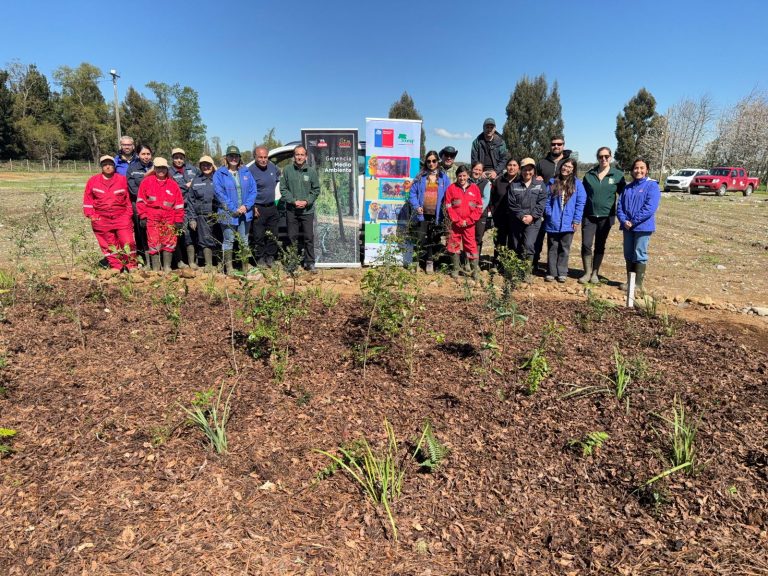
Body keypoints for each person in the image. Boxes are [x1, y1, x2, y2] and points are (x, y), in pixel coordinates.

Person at [580, 146, 626, 284]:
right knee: (586, 244)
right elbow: (582, 196)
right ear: (597, 158)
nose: (603, 159)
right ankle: (587, 272)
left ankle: (595, 273)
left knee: (600, 244)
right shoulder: (589, 175)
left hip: (606, 217)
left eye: (606, 156)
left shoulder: (617, 175)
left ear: (610, 157)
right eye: (601, 156)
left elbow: (624, 196)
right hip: (589, 216)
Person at [83, 155, 137, 271]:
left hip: (121, 217)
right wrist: (92, 215)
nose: (108, 167)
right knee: (108, 244)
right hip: (101, 218)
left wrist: (128, 215)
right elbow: (88, 200)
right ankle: (116, 267)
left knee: (128, 241)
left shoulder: (122, 180)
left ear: (114, 166)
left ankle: (131, 265)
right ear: (101, 167)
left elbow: (128, 200)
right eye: (105, 165)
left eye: (110, 164)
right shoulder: (93, 181)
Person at [617, 157, 661, 296]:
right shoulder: (627, 187)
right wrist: (624, 220)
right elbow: (620, 206)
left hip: (643, 227)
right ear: (632, 170)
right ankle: (630, 281)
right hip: (627, 227)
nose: (639, 170)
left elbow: (650, 207)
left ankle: (638, 284)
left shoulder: (652, 186)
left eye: (642, 168)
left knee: (639, 253)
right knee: (628, 254)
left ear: (647, 170)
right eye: (636, 168)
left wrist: (633, 221)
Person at [213, 145, 258, 275]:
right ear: (226, 157)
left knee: (244, 240)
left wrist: (246, 206)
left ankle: (244, 267)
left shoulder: (246, 172)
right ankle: (230, 268)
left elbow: (253, 190)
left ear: (239, 158)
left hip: (245, 213)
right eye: (231, 156)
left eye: (236, 156)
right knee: (228, 240)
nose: (233, 158)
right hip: (228, 214)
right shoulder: (219, 174)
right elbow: (219, 193)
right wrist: (233, 209)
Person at [136, 157, 185, 272]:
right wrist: (142, 216)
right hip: (152, 217)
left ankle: (167, 267)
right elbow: (141, 201)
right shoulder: (146, 182)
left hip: (169, 217)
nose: (161, 170)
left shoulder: (173, 184)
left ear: (167, 169)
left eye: (163, 168)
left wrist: (178, 220)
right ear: (155, 169)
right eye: (158, 168)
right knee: (154, 242)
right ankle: (156, 268)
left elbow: (179, 204)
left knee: (170, 241)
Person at [533, 135, 572, 272]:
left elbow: (573, 184)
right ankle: (534, 263)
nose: (556, 146)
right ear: (550, 146)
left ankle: (557, 269)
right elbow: (535, 180)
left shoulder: (568, 163)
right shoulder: (542, 163)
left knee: (558, 242)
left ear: (563, 145)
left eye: (559, 144)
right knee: (538, 237)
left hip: (560, 208)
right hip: (542, 205)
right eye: (553, 144)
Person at [543, 158, 586, 283]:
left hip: (568, 223)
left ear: (573, 170)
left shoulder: (577, 184)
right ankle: (551, 272)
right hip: (553, 221)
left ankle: (562, 272)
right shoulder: (552, 182)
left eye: (569, 167)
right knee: (552, 247)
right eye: (565, 166)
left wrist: (576, 220)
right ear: (561, 166)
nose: (566, 169)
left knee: (565, 248)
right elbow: (547, 200)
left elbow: (580, 202)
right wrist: (549, 214)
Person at [408, 150, 451, 274]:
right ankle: (416, 262)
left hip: (437, 215)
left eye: (434, 161)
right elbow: (412, 193)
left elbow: (449, 194)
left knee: (433, 239)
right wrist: (416, 206)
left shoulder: (443, 177)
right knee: (420, 238)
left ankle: (429, 263)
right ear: (425, 162)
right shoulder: (420, 177)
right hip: (422, 214)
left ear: (438, 162)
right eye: (428, 161)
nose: (431, 163)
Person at [280, 145, 321, 273]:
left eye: (302, 154)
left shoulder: (311, 171)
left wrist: (307, 201)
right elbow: (283, 189)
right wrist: (293, 201)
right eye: (297, 154)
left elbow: (316, 190)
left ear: (306, 156)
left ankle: (310, 262)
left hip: (307, 211)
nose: (299, 157)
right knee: (292, 238)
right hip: (292, 210)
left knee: (309, 237)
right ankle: (292, 263)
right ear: (294, 156)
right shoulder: (287, 170)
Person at [508, 158, 547, 282]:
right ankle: (517, 271)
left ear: (534, 170)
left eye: (530, 169)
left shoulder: (540, 185)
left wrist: (532, 216)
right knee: (516, 245)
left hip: (533, 221)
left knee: (529, 244)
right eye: (525, 169)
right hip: (517, 220)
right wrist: (522, 216)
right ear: (521, 170)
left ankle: (526, 272)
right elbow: (512, 204)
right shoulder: (514, 185)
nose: (527, 172)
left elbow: (542, 202)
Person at [445, 165, 484, 280]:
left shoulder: (474, 188)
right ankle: (455, 270)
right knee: (453, 245)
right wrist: (457, 220)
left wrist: (468, 221)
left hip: (469, 225)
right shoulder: (451, 188)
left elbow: (479, 207)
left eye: (464, 175)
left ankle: (474, 271)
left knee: (471, 247)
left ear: (468, 176)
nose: (462, 178)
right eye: (459, 176)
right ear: (457, 176)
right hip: (455, 224)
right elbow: (448, 206)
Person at [248, 145, 281, 267]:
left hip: (272, 206)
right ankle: (260, 258)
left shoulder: (272, 167)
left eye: (265, 157)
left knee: (273, 234)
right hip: (258, 208)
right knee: (259, 235)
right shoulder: (250, 171)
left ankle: (270, 257)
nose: (263, 160)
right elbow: (247, 190)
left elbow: (278, 177)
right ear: (255, 157)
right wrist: (252, 205)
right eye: (260, 157)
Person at [186, 155, 219, 270]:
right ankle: (208, 265)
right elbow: (190, 201)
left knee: (219, 238)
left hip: (218, 215)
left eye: (208, 164)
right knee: (205, 239)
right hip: (202, 216)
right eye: (203, 165)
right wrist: (192, 218)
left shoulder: (218, 178)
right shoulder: (196, 180)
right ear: (200, 166)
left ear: (212, 166)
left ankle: (220, 263)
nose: (206, 167)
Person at [169, 148, 199, 268]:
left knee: (190, 234)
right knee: (176, 234)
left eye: (181, 157)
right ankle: (179, 261)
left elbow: (199, 180)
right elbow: (171, 188)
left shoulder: (192, 169)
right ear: (172, 158)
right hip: (175, 207)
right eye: (176, 157)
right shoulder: (169, 172)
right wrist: (186, 186)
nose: (179, 160)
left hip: (191, 206)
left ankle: (191, 261)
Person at [125, 144, 154, 265]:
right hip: (138, 204)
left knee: (154, 230)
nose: (146, 157)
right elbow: (133, 189)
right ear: (138, 154)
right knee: (141, 230)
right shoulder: (132, 168)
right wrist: (147, 175)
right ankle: (145, 258)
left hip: (155, 205)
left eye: (148, 154)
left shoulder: (157, 166)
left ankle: (157, 258)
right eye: (143, 154)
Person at [490, 158, 519, 264]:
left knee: (513, 241)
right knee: (499, 241)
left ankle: (510, 263)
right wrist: (493, 212)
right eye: (509, 165)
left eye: (514, 165)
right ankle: (497, 262)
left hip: (515, 217)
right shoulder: (499, 180)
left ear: (518, 167)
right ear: (506, 167)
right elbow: (492, 198)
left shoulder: (521, 181)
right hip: (500, 216)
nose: (512, 167)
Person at [469, 161, 492, 266]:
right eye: (475, 169)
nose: (477, 171)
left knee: (477, 238)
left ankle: (475, 262)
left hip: (480, 215)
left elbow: (486, 199)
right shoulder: (466, 180)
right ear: (472, 169)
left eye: (479, 170)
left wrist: (476, 211)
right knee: (468, 237)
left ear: (482, 172)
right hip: (467, 214)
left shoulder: (486, 183)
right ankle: (467, 262)